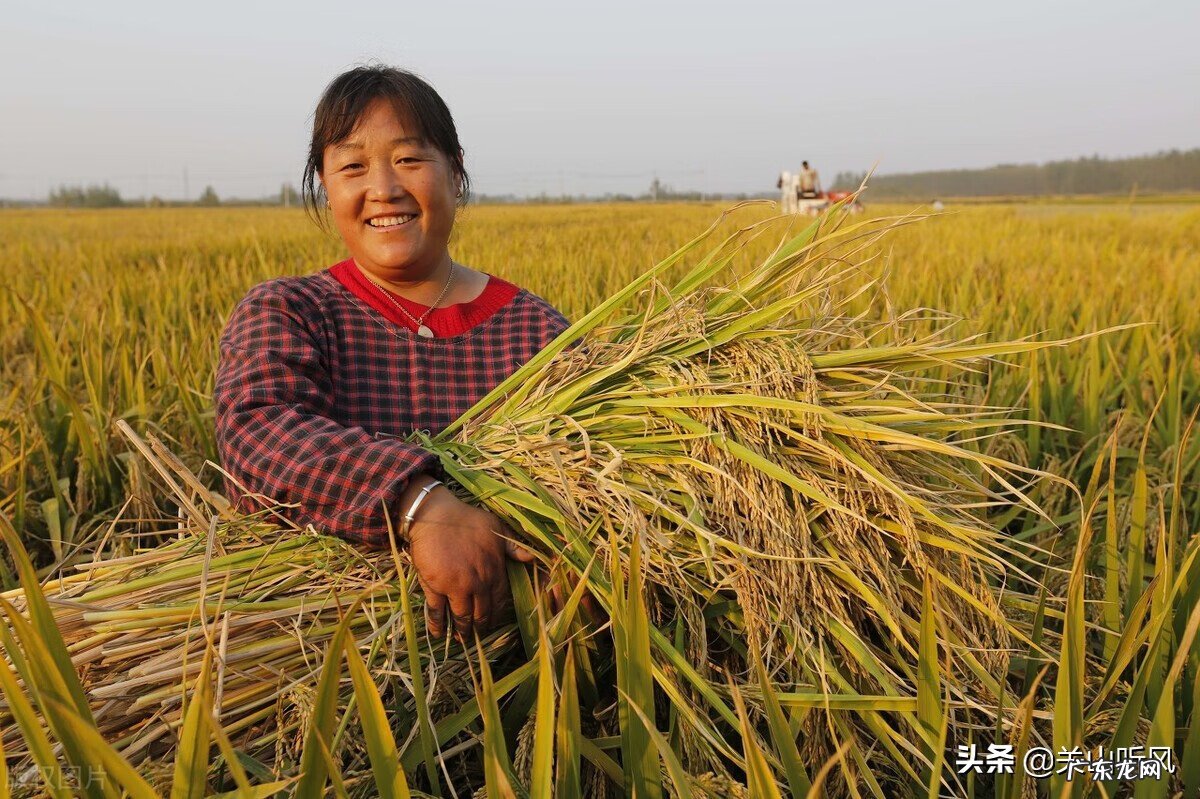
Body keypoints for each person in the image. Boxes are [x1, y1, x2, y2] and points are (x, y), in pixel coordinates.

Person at [214, 65, 574, 644]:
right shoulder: (291, 312)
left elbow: (594, 471)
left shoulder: (537, 333)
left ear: (455, 172)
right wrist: (420, 505)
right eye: (352, 166)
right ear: (325, 188)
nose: (383, 187)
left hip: (520, 673)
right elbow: (256, 437)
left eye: (409, 158)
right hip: (329, 659)